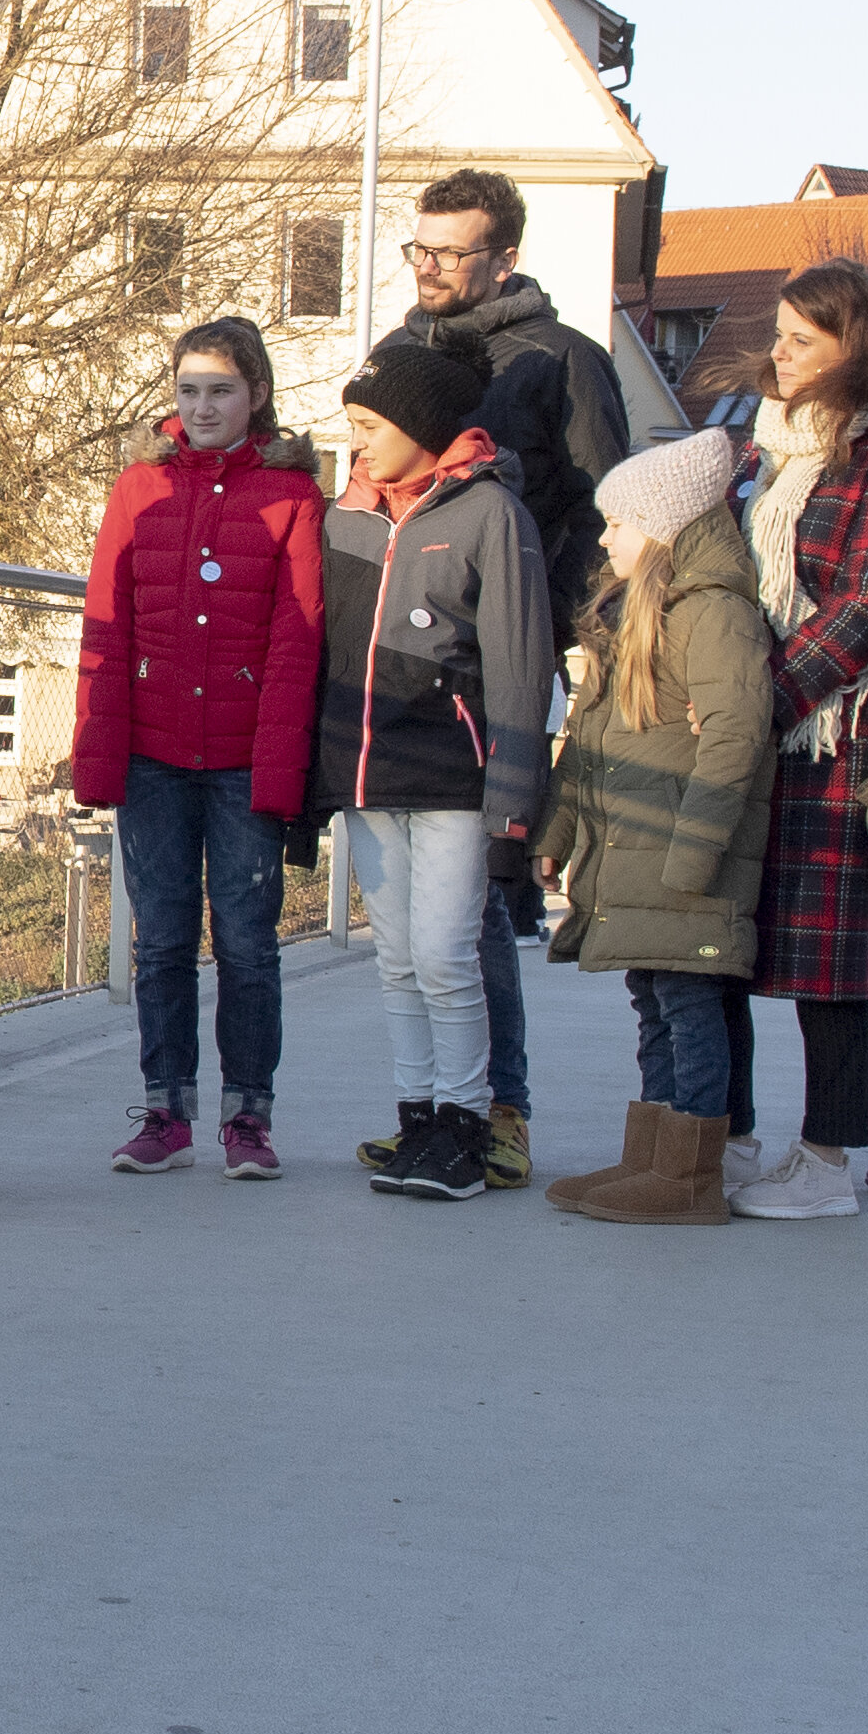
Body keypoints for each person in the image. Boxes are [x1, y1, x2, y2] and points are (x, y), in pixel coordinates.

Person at [369, 168, 629, 1183]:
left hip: (503, 663)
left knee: (475, 903)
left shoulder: (563, 361)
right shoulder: (396, 355)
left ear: (504, 257)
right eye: (418, 248)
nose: (429, 267)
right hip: (402, 669)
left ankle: (497, 1111)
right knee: (417, 919)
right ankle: (436, 1105)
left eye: (451, 251)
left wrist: (552, 622)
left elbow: (606, 512)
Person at [73, 318, 325, 1179]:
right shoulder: (137, 489)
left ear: (255, 394)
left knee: (249, 942)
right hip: (153, 755)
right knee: (164, 939)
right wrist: (97, 762)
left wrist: (279, 767)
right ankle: (164, 1109)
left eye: (220, 389)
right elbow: (104, 625)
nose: (203, 406)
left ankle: (248, 1117)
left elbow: (298, 639)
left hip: (243, 756)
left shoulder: (290, 497)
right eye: (188, 390)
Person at [722, 260, 868, 1219]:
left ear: (857, 350)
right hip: (736, 726)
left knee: (828, 954)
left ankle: (824, 1160)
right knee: (713, 939)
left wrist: (760, 702)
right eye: (777, 334)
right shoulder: (755, 450)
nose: (779, 354)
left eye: (802, 340)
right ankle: (720, 1136)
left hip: (829, 732)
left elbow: (867, 606)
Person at [311, 339, 554, 1203]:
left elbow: (524, 667)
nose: (358, 444)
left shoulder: (488, 514)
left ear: (422, 427)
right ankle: (419, 1114)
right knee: (398, 959)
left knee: (448, 955)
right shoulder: (346, 516)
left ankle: (466, 1122)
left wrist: (514, 803)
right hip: (368, 777)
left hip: (455, 778)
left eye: (371, 426)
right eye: (351, 427)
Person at [537, 428, 777, 1226]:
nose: (605, 538)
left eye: (620, 522)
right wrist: (559, 832)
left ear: (667, 527)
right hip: (635, 856)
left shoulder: (712, 613)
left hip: (683, 857)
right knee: (653, 998)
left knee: (686, 1004)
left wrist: (694, 854)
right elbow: (591, 742)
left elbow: (736, 734)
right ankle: (650, 1158)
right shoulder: (633, 617)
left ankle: (688, 1177)